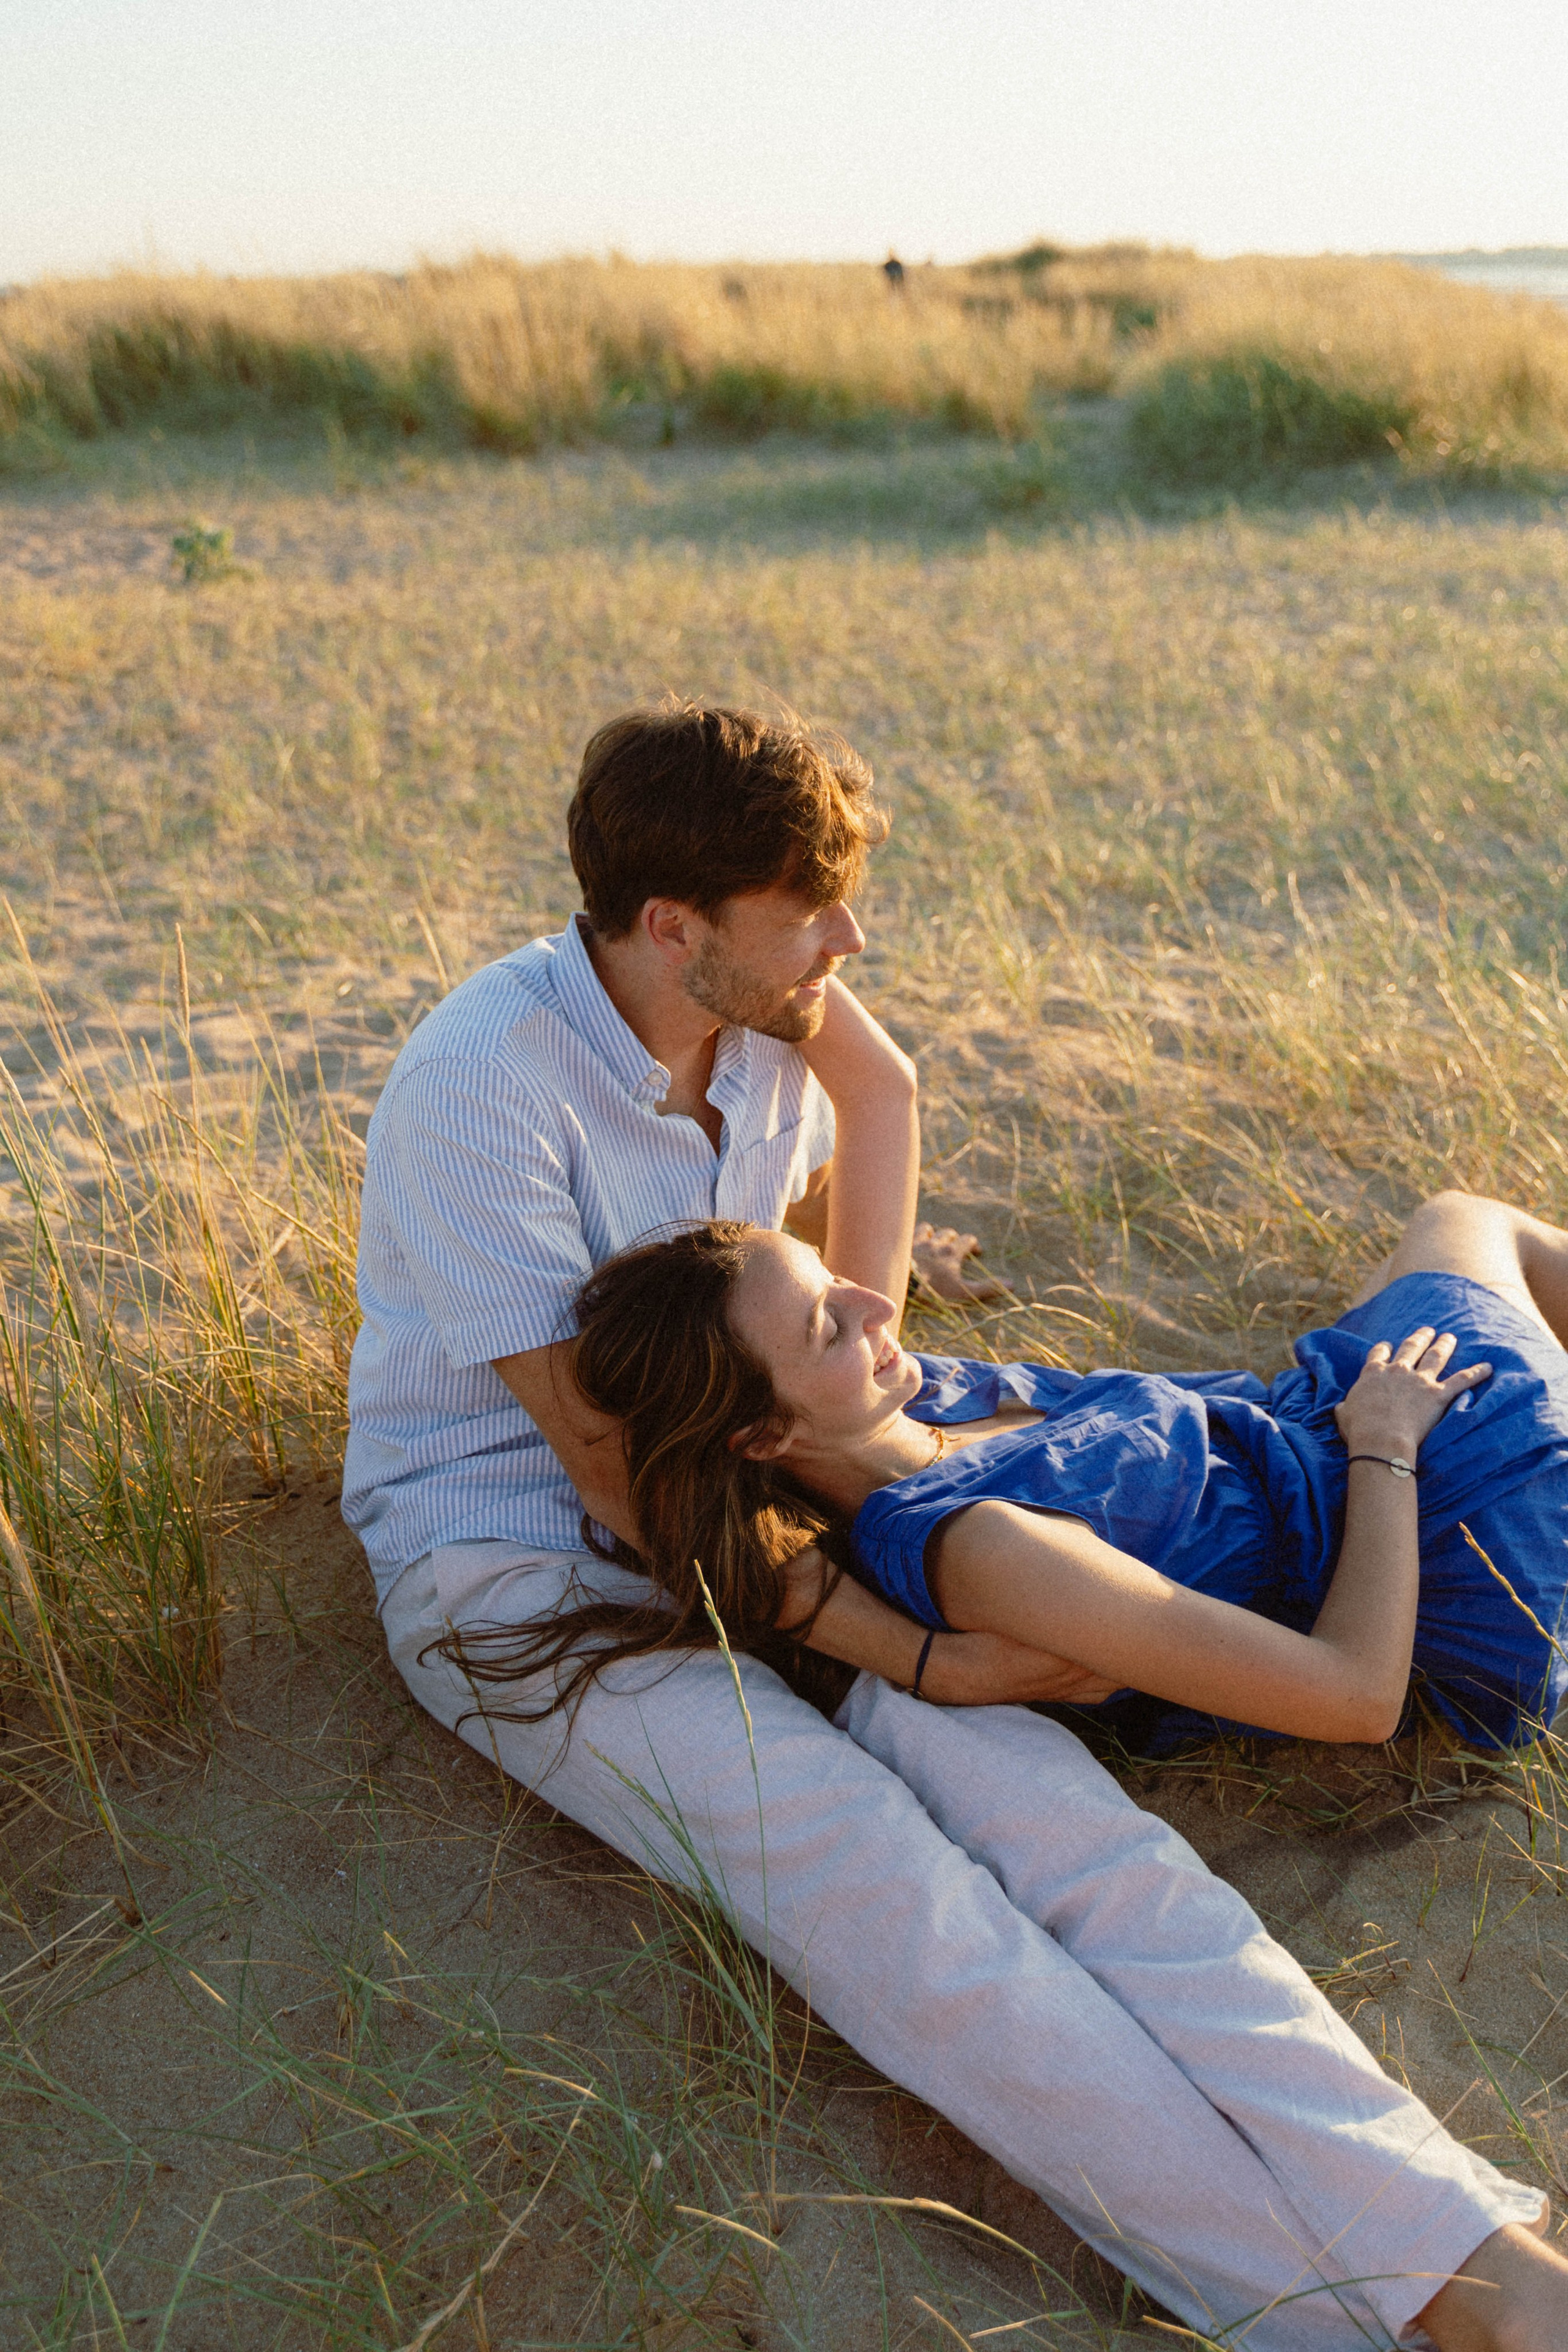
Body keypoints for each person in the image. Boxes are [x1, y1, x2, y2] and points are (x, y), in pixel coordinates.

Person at [344, 701, 1566, 2350]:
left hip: (774, 1516)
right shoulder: (482, 1081)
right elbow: (606, 1468)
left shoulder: (765, 1009)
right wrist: (908, 1647)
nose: (847, 939)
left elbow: (852, 1243)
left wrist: (901, 1482)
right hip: (525, 1558)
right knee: (897, 1902)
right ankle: (1327, 2317)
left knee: (1106, 1863)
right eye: (809, 912)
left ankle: (1474, 2272)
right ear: (671, 927)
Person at [538, 1197, 1568, 1760]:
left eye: (837, 1279)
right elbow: (1355, 1698)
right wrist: (1387, 1446)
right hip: (1445, 1528)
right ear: (762, 1437)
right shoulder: (986, 1549)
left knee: (1457, 1218)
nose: (873, 1303)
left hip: (1330, 1422)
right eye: (827, 1322)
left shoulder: (916, 1398)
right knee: (1487, 1233)